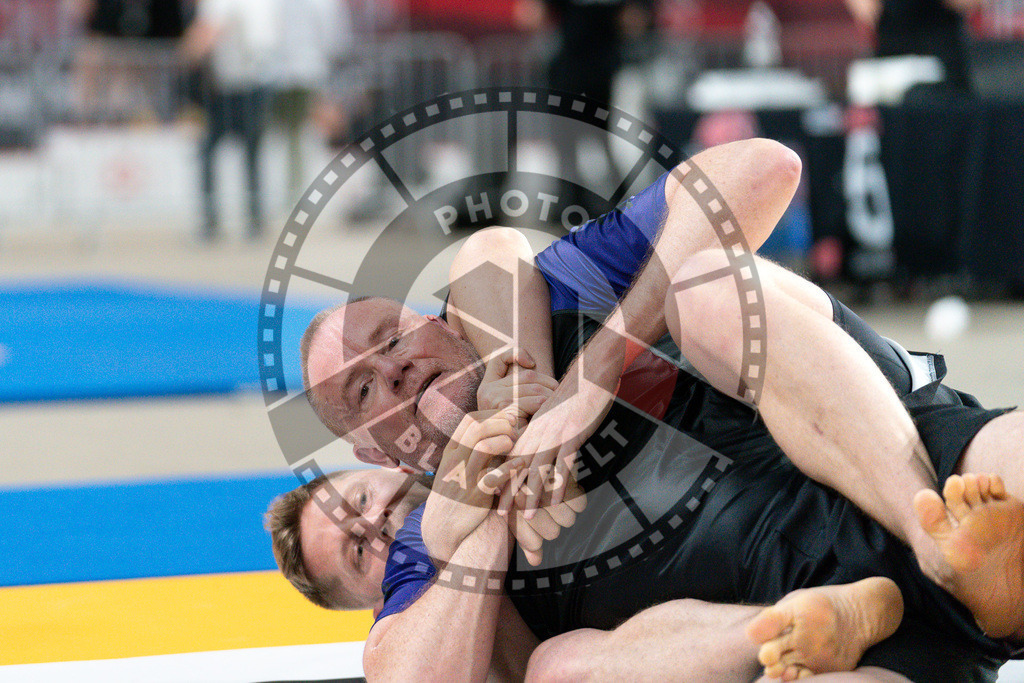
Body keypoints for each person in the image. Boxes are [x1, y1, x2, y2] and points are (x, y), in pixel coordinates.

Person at [294, 139, 1024, 679]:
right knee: (558, 670)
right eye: (364, 390)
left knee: (706, 286)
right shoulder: (433, 531)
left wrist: (587, 374)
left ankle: (937, 541)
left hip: (908, 461)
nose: (394, 368)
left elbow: (765, 168)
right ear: (376, 451)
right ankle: (868, 602)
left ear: (435, 319)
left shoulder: (547, 293)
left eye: (392, 338)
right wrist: (485, 513)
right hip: (820, 619)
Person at [180, 0, 279, 242]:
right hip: (232, 88)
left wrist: (191, 48)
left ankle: (237, 219)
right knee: (234, 154)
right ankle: (230, 219)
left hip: (243, 88)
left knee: (241, 154)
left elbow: (204, 38)